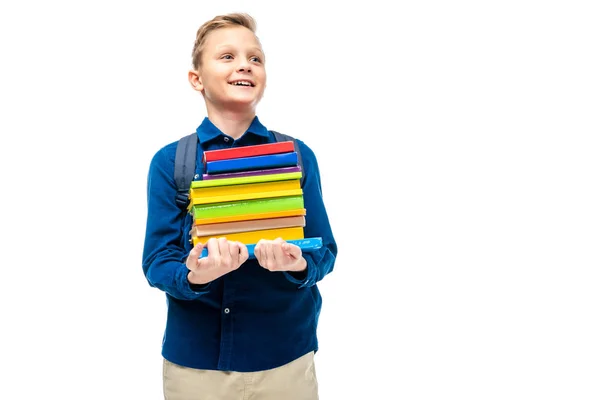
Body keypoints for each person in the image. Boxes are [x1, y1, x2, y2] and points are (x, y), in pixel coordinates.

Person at [142, 12, 338, 400]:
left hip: (286, 360)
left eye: (256, 58)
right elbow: (157, 260)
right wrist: (196, 273)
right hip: (196, 368)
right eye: (227, 56)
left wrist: (296, 262)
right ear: (196, 78)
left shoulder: (298, 156)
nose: (245, 64)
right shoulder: (171, 162)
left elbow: (325, 251)